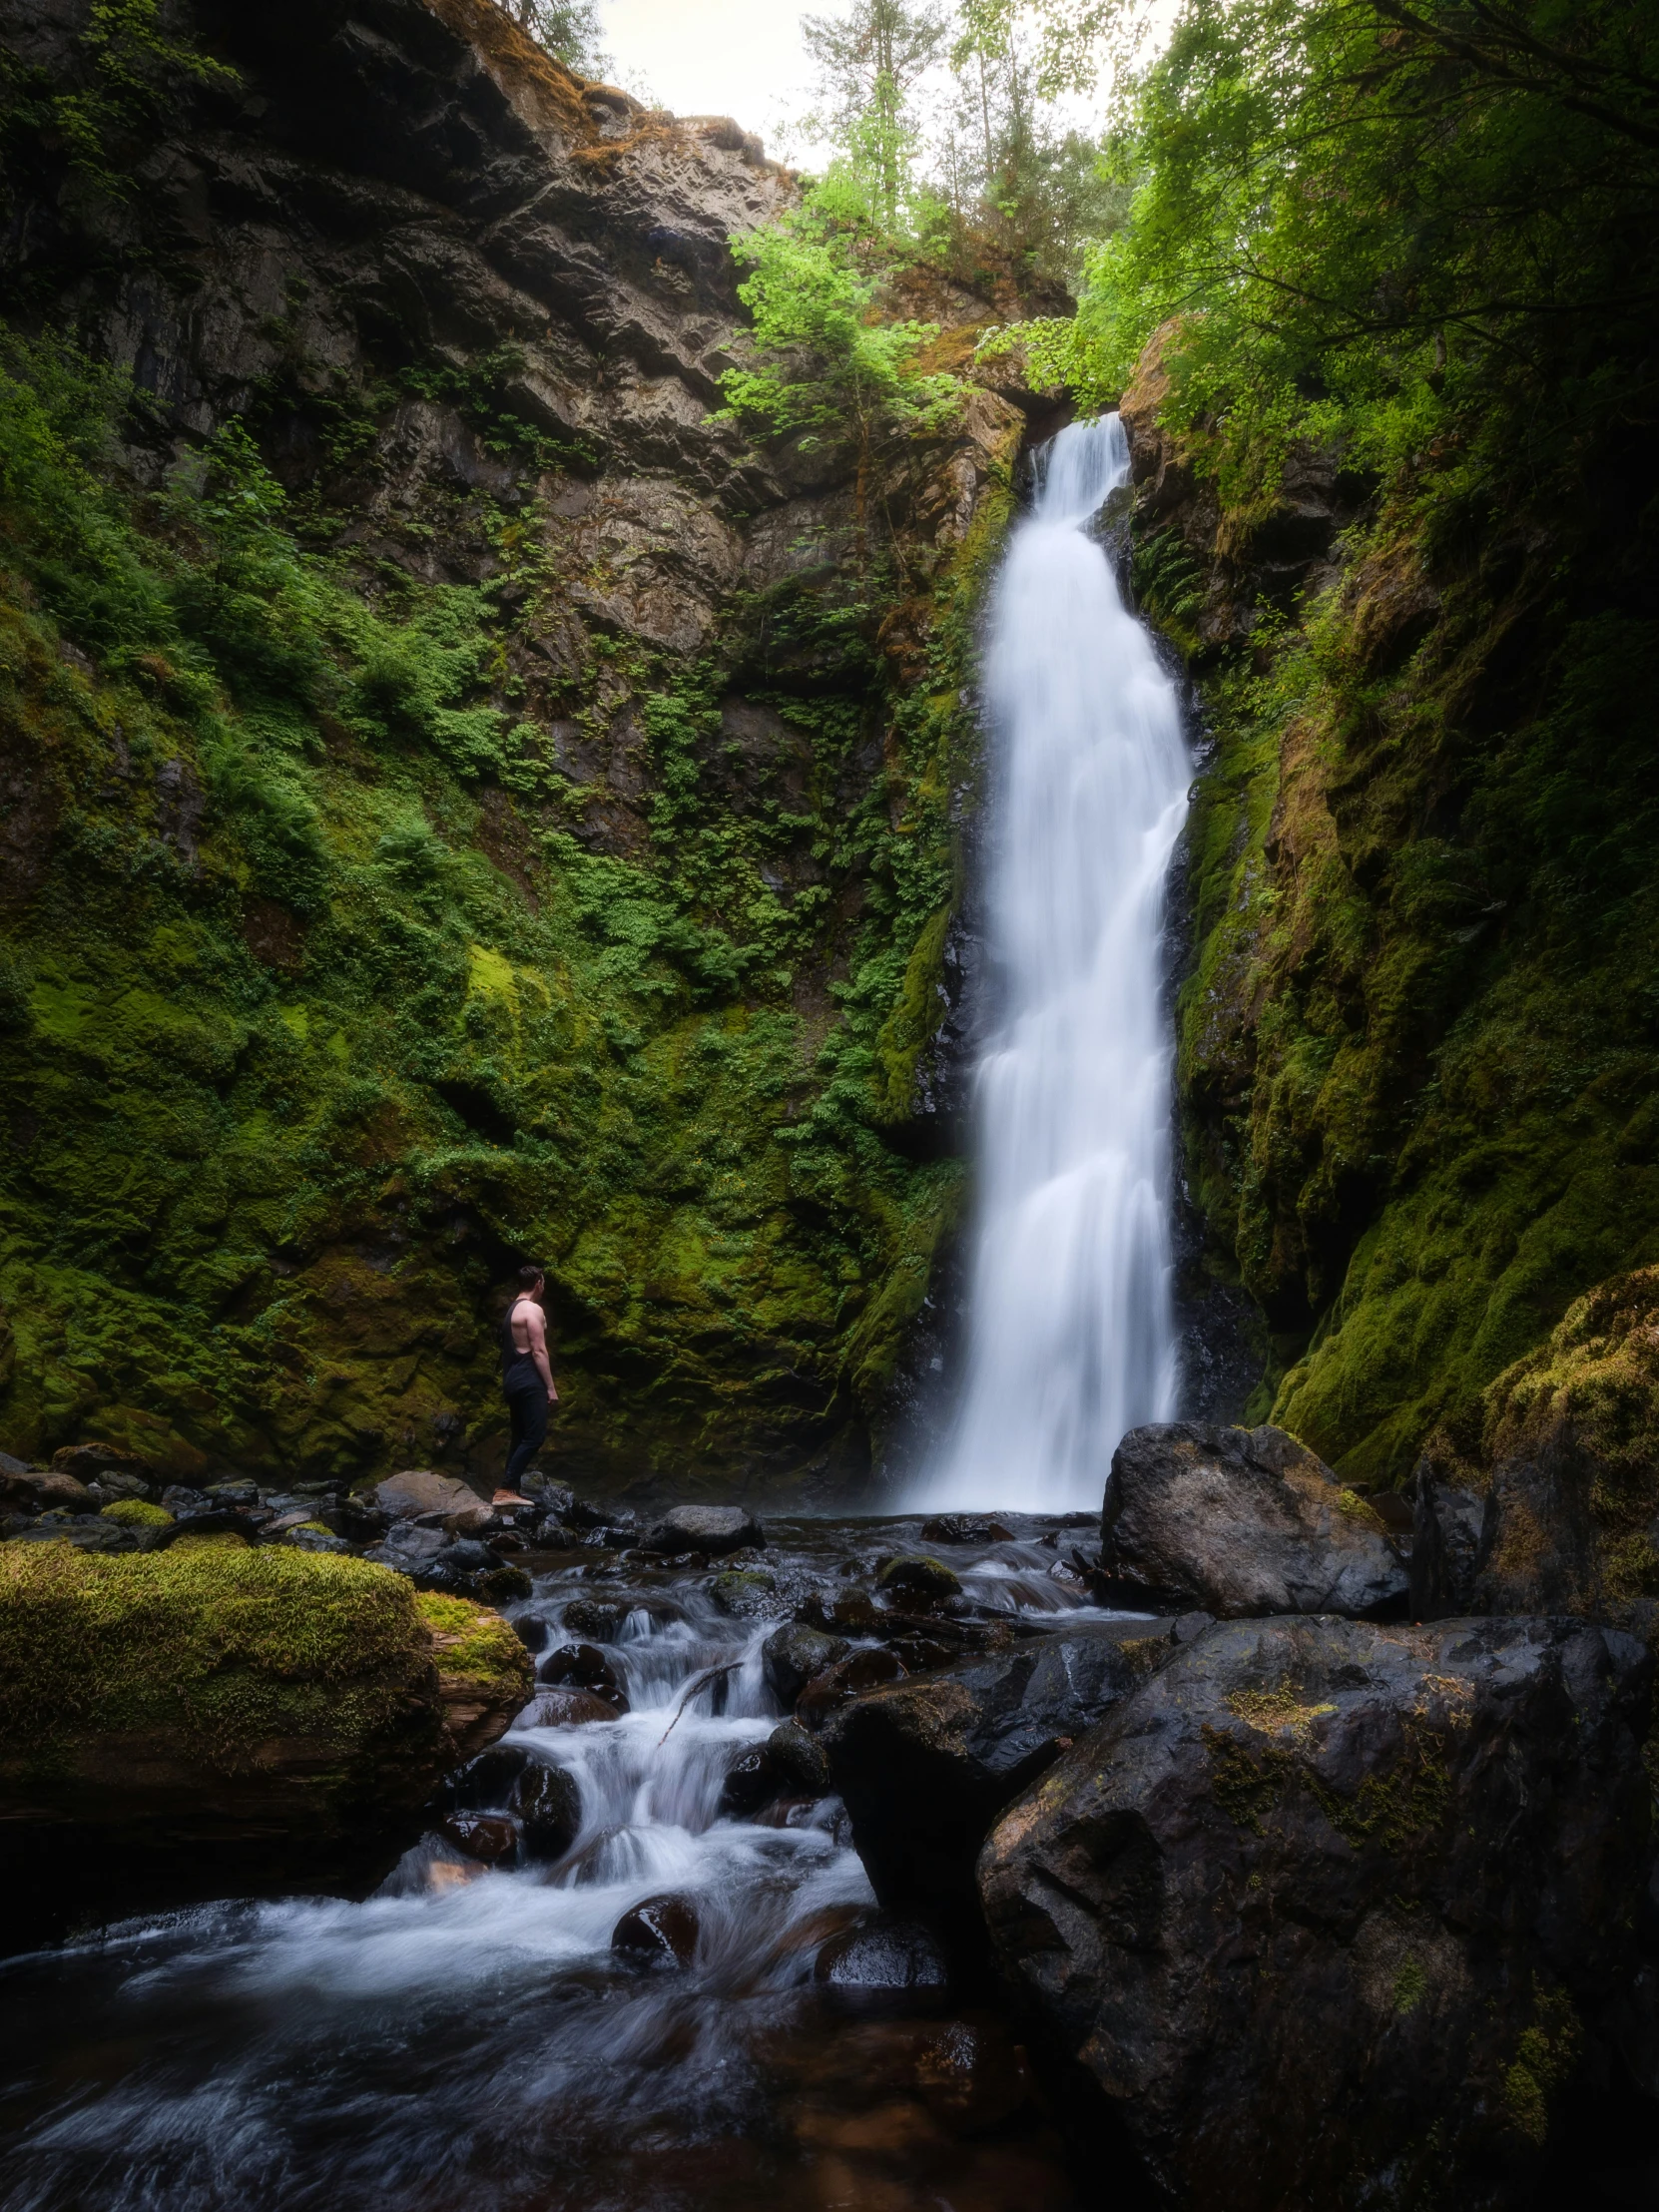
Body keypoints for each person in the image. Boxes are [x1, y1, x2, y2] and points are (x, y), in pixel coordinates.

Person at [501, 1264, 557, 1490]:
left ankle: (509, 1490)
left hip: (512, 1379)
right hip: (528, 1379)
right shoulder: (532, 1310)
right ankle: (506, 1488)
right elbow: (538, 1350)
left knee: (519, 1436)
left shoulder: (512, 1310)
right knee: (534, 1437)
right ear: (538, 1283)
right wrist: (551, 1388)